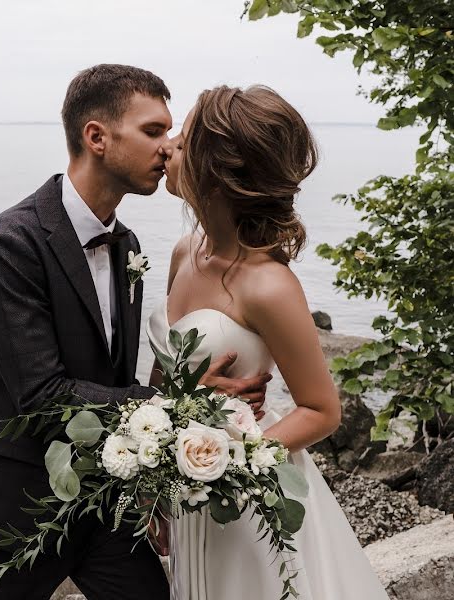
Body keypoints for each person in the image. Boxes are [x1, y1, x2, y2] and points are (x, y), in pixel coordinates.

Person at [0, 64, 272, 599]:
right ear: (96, 137)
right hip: (11, 502)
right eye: (152, 131)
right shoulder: (11, 243)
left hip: (106, 499)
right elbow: (43, 395)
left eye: (168, 132)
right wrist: (186, 409)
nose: (167, 148)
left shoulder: (131, 245)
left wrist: (156, 480)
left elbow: (115, 371)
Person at [150, 84, 389, 599]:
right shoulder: (183, 252)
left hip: (249, 500)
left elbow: (322, 411)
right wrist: (162, 480)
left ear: (218, 169)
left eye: (184, 138)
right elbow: (171, 378)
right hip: (190, 488)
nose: (167, 144)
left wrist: (225, 460)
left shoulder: (269, 284)